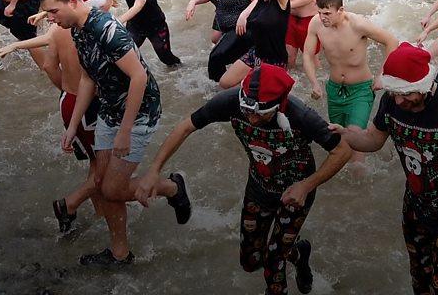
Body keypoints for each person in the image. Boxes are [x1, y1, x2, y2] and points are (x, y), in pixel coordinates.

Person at [137, 63, 350, 294]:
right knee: (250, 262)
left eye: (259, 114)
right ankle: (298, 254)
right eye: (247, 111)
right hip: (259, 187)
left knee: (273, 265)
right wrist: (153, 171)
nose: (251, 118)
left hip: (295, 194)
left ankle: (285, 257)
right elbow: (185, 127)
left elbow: (342, 151)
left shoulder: (300, 114)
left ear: (280, 105)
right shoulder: (232, 102)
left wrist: (307, 186)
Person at [334, 43, 438, 295]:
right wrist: (344, 135)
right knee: (420, 283)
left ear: (424, 85)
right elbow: (373, 140)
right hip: (416, 207)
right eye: (395, 93)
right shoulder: (392, 101)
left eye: (407, 93)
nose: (400, 100)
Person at [37, 0, 179, 267]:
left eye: (54, 11)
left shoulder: (107, 30)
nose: (51, 19)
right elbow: (89, 75)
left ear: (73, 1)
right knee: (102, 183)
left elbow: (138, 76)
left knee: (112, 189)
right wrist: (74, 125)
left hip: (138, 113)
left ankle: (172, 188)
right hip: (109, 110)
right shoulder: (75, 29)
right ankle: (120, 253)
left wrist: (125, 132)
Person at [0, 0, 112, 232]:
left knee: (94, 161)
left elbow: (48, 65)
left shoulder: (58, 30)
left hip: (67, 101)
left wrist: (64, 89)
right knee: (102, 165)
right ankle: (73, 205)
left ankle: (102, 212)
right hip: (87, 105)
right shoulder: (93, 28)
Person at [302, 0, 398, 161]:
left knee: (355, 141)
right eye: (319, 12)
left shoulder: (358, 24)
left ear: (341, 10)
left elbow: (391, 41)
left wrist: (382, 75)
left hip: (360, 90)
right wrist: (314, 83)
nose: (323, 17)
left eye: (327, 13)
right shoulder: (316, 24)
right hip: (334, 90)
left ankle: (360, 177)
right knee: (340, 141)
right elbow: (307, 55)